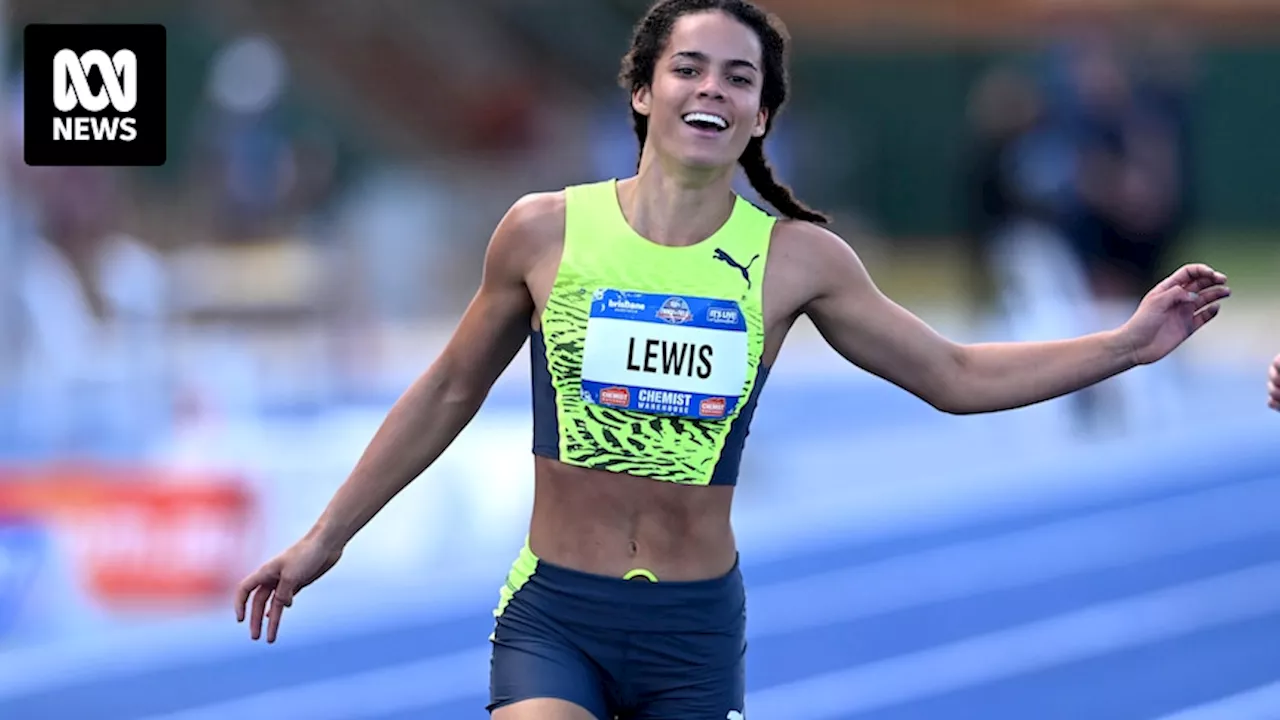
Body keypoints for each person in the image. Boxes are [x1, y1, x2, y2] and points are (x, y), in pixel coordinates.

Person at [233, 1, 1231, 718]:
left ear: (759, 115)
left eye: (738, 77)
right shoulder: (542, 232)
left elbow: (953, 376)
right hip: (555, 612)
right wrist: (328, 535)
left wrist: (1125, 344)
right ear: (640, 90)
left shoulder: (796, 259)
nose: (711, 87)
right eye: (688, 67)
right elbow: (449, 388)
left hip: (692, 630)